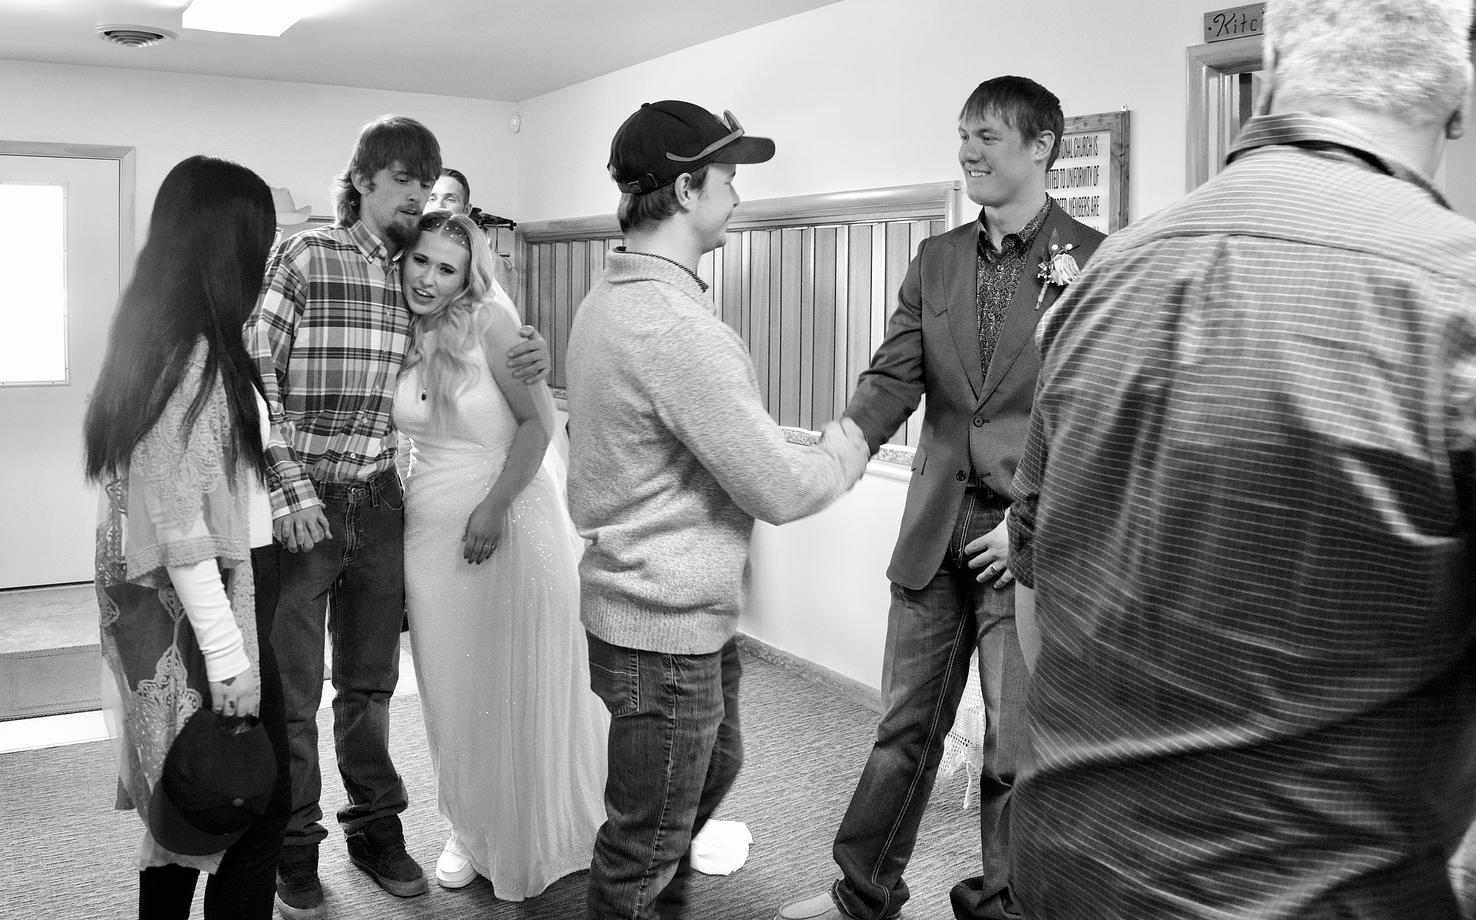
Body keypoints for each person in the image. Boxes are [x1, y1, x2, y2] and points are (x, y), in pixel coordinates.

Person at [1005, 0, 1476, 919]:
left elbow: (1034, 595)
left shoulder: (1103, 279)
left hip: (1064, 870)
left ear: (1270, 73)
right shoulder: (1472, 303)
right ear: (1458, 97)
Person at [778, 76, 1105, 920]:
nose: (968, 152)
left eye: (987, 136)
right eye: (963, 135)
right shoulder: (938, 258)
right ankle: (862, 893)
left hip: (1019, 542)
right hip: (934, 527)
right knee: (903, 730)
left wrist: (1030, 524)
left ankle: (1002, 904)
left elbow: (1093, 413)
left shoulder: (1096, 261)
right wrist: (844, 446)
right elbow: (895, 376)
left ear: (1042, 146)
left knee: (1012, 748)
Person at [566, 99, 870, 920]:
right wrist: (845, 452)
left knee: (711, 767)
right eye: (728, 178)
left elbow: (704, 438)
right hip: (660, 626)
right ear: (686, 189)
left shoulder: (612, 299)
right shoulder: (675, 329)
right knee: (644, 845)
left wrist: (784, 445)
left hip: (650, 611)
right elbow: (777, 488)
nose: (737, 196)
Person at [246, 114, 550, 920]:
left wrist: (534, 351)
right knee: (294, 692)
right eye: (404, 178)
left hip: (382, 500)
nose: (418, 194)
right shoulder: (306, 255)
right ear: (364, 179)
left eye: (427, 180)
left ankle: (376, 832)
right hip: (305, 505)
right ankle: (294, 848)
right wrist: (288, 488)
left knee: (371, 686)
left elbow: (480, 326)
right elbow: (253, 376)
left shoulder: (413, 275)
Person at [84, 154, 291, 919]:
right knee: (252, 805)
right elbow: (179, 524)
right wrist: (230, 658)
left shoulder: (160, 340)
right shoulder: (193, 357)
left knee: (187, 803)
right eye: (259, 241)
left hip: (207, 604)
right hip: (210, 613)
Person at [393, 209, 607, 899]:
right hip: (430, 532)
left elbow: (538, 424)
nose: (428, 279)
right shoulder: (395, 324)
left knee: (517, 677)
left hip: (510, 518)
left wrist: (492, 508)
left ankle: (534, 829)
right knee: (451, 687)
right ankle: (468, 826)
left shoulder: (491, 322)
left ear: (467, 277)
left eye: (446, 268)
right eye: (420, 260)